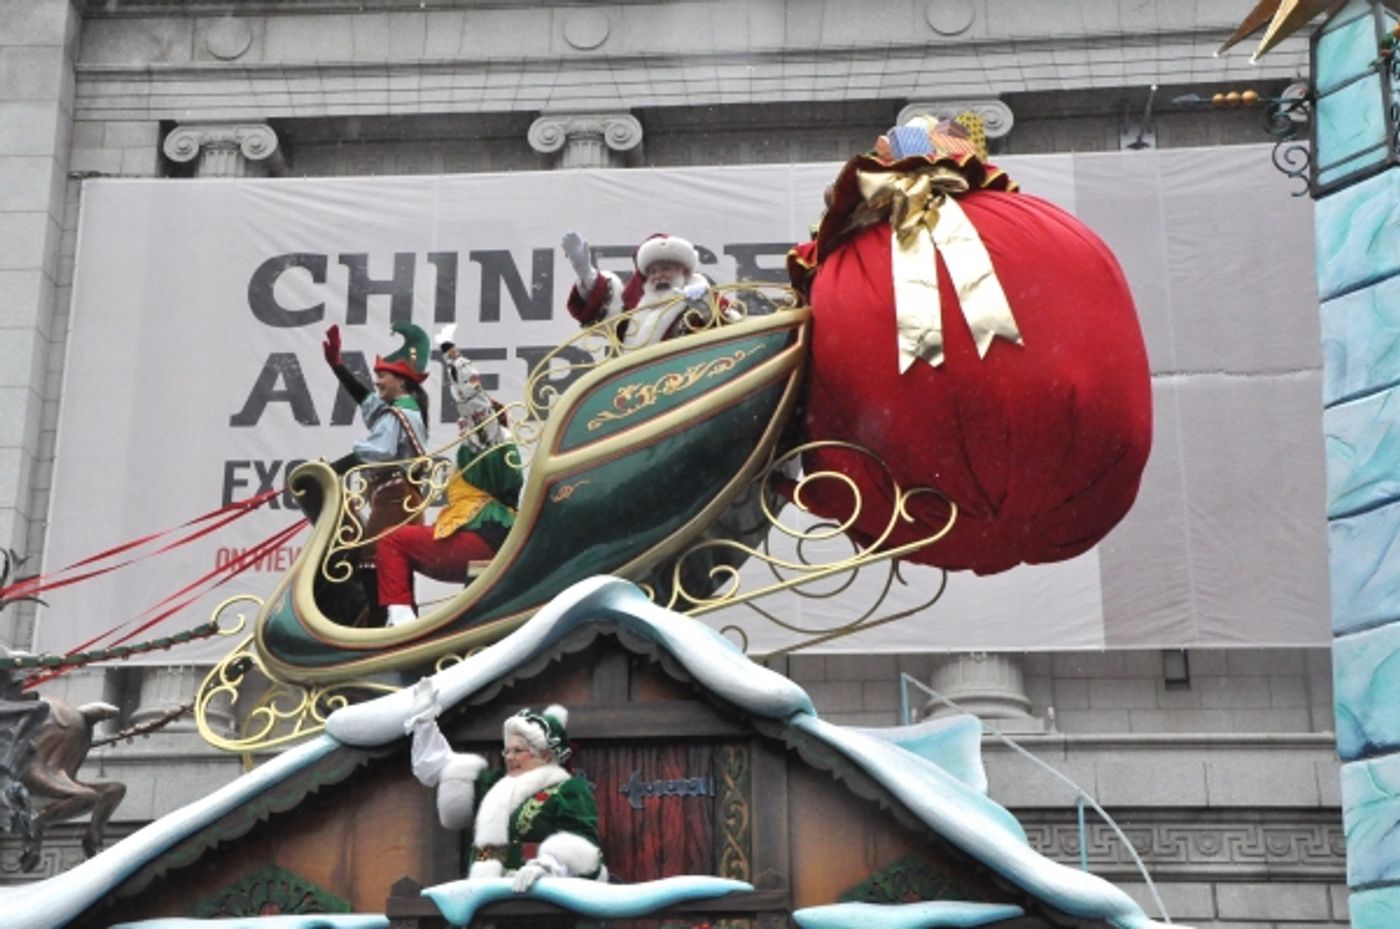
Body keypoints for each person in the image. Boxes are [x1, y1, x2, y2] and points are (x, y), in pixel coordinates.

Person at [406, 680, 605, 890]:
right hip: (484, 894)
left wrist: (547, 867)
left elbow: (583, 845)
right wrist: (425, 722)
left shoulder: (568, 790)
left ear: (545, 755)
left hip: (537, 896)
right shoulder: (494, 785)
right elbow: (441, 767)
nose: (509, 757)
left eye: (518, 751)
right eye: (507, 751)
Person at [376, 435, 522, 628]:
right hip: (494, 536)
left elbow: (480, 419)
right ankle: (401, 618)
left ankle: (401, 622)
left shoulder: (486, 442)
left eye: (466, 421)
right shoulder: (501, 450)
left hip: (482, 535)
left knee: (391, 541)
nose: (462, 424)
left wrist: (476, 417)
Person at [561, 231, 716, 351]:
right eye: (653, 272)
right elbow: (609, 320)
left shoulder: (701, 295)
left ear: (684, 272)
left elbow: (731, 334)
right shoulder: (637, 313)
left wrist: (706, 311)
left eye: (665, 269)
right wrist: (586, 273)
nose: (658, 276)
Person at [322, 321, 431, 473]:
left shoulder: (398, 415)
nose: (376, 382)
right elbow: (367, 400)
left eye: (381, 376)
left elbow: (377, 451)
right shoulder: (407, 410)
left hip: (393, 496)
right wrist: (337, 366)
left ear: (401, 381)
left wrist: (330, 471)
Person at [433, 323, 511, 451]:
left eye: (453, 350)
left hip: (474, 399)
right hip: (467, 403)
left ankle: (493, 446)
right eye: (450, 351)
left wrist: (469, 392)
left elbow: (474, 379)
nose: (453, 352)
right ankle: (485, 447)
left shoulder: (462, 362)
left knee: (486, 423)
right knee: (476, 428)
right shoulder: (452, 367)